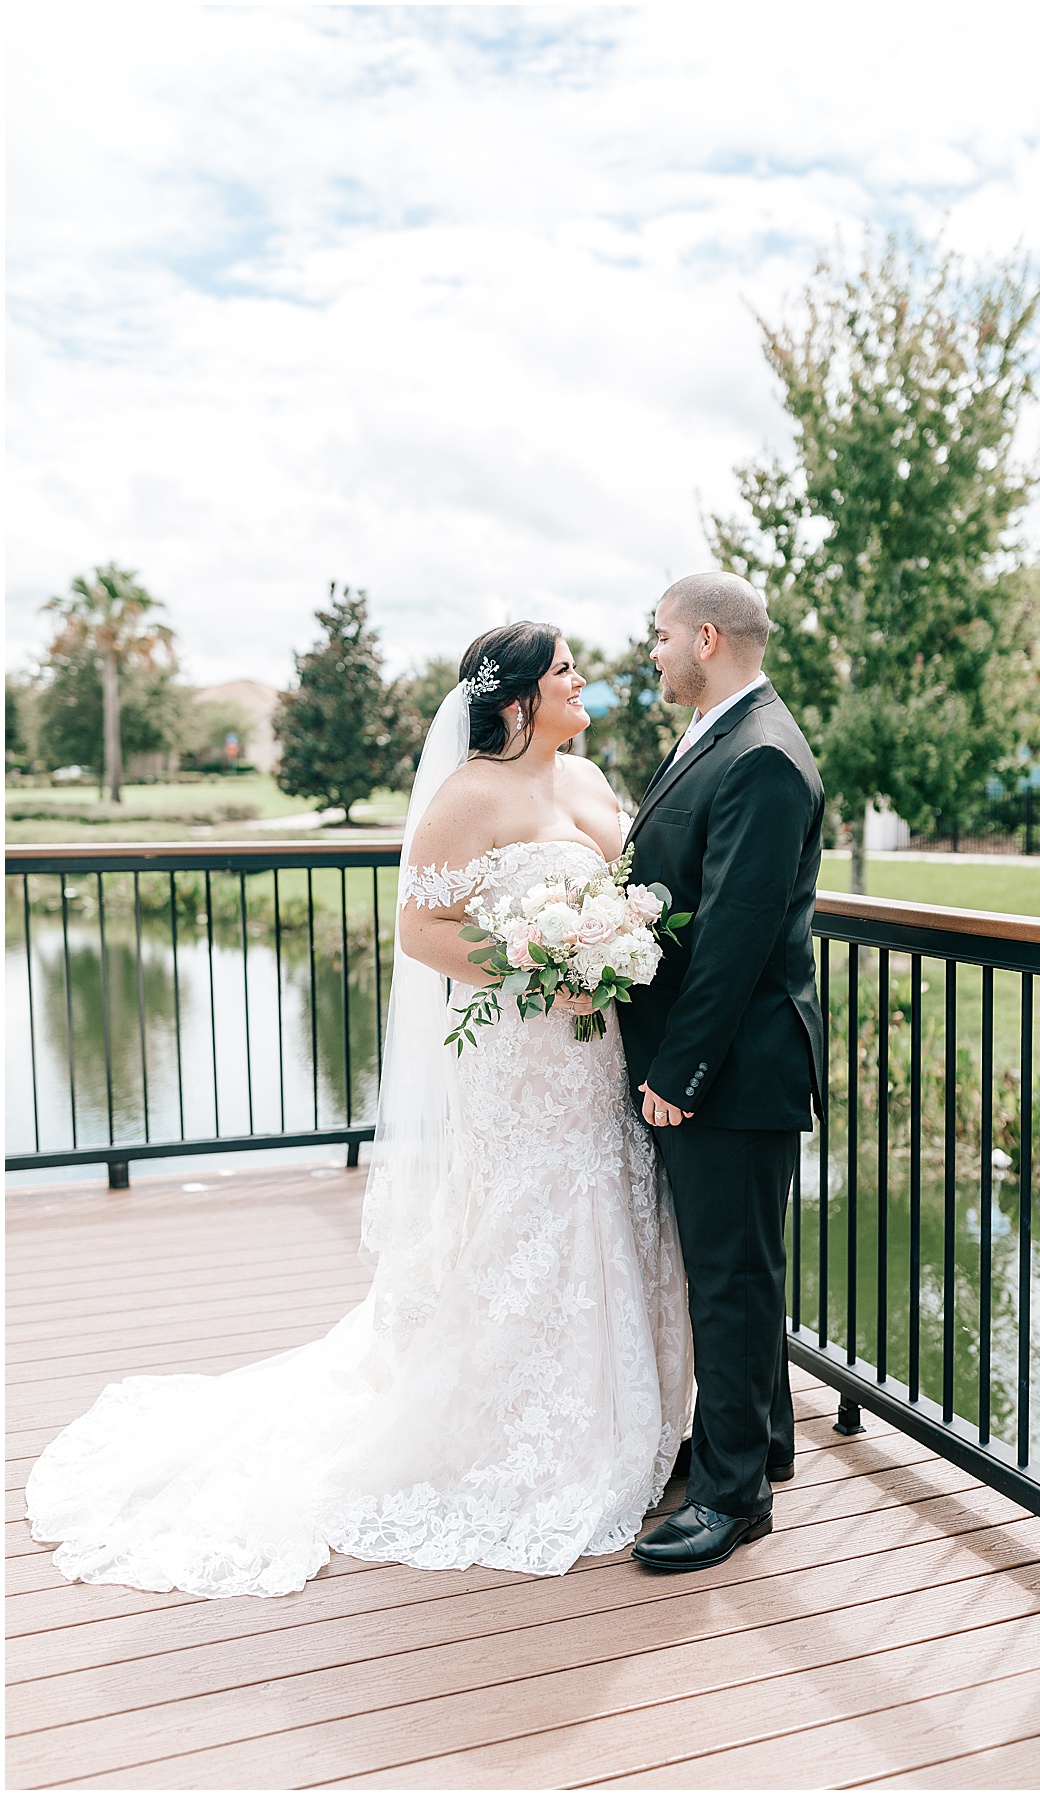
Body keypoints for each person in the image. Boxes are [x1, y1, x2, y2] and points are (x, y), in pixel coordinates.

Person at [25, 623, 692, 1597]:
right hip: (517, 1051)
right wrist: (537, 969)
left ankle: (629, 1422)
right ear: (515, 697)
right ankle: (516, 1433)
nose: (582, 678)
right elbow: (423, 930)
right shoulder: (467, 797)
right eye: (563, 669)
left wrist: (612, 942)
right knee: (525, 1221)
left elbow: (625, 896)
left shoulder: (590, 783)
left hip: (595, 1059)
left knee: (610, 1201)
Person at [619, 571, 825, 1572]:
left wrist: (681, 1068)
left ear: (706, 637)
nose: (650, 652)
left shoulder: (765, 756)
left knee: (730, 1282)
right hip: (722, 1064)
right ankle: (764, 1439)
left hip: (731, 1069)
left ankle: (734, 1498)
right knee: (741, 1268)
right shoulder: (724, 732)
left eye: (659, 636)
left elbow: (738, 935)